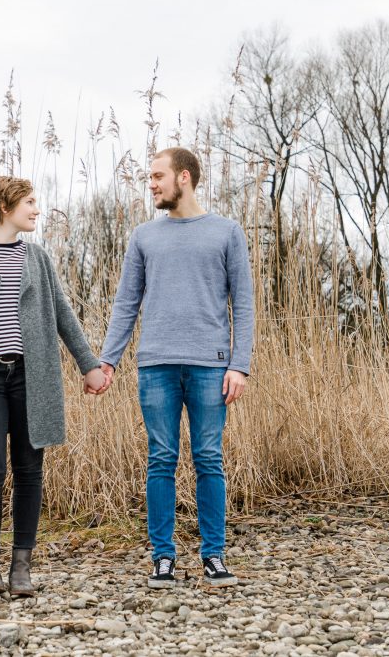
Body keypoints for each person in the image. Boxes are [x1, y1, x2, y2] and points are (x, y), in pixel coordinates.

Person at [0, 176, 106, 596]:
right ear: (5, 206)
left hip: (33, 377)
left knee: (30, 471)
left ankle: (22, 567)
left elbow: (62, 313)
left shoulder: (37, 257)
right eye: (29, 202)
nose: (36, 209)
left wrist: (89, 364)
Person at [98, 147, 254, 588]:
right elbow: (126, 303)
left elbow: (243, 303)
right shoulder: (144, 236)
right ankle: (162, 558)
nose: (151, 183)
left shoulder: (226, 232)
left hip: (211, 365)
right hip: (156, 365)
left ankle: (214, 555)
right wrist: (108, 359)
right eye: (150, 177)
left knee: (209, 459)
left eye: (157, 175)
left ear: (183, 177)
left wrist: (239, 365)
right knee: (161, 459)